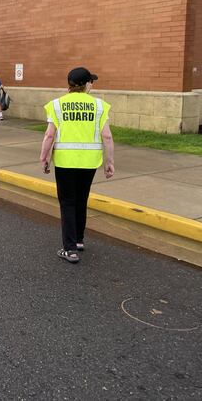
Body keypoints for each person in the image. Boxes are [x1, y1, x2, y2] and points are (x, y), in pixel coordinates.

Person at [39, 67, 115, 264]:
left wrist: (44, 157)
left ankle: (70, 249)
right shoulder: (99, 106)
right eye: (92, 81)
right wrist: (110, 161)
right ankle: (79, 240)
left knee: (67, 202)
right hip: (89, 162)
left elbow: (49, 135)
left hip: (65, 162)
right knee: (81, 200)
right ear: (87, 84)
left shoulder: (57, 105)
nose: (92, 85)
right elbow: (107, 135)